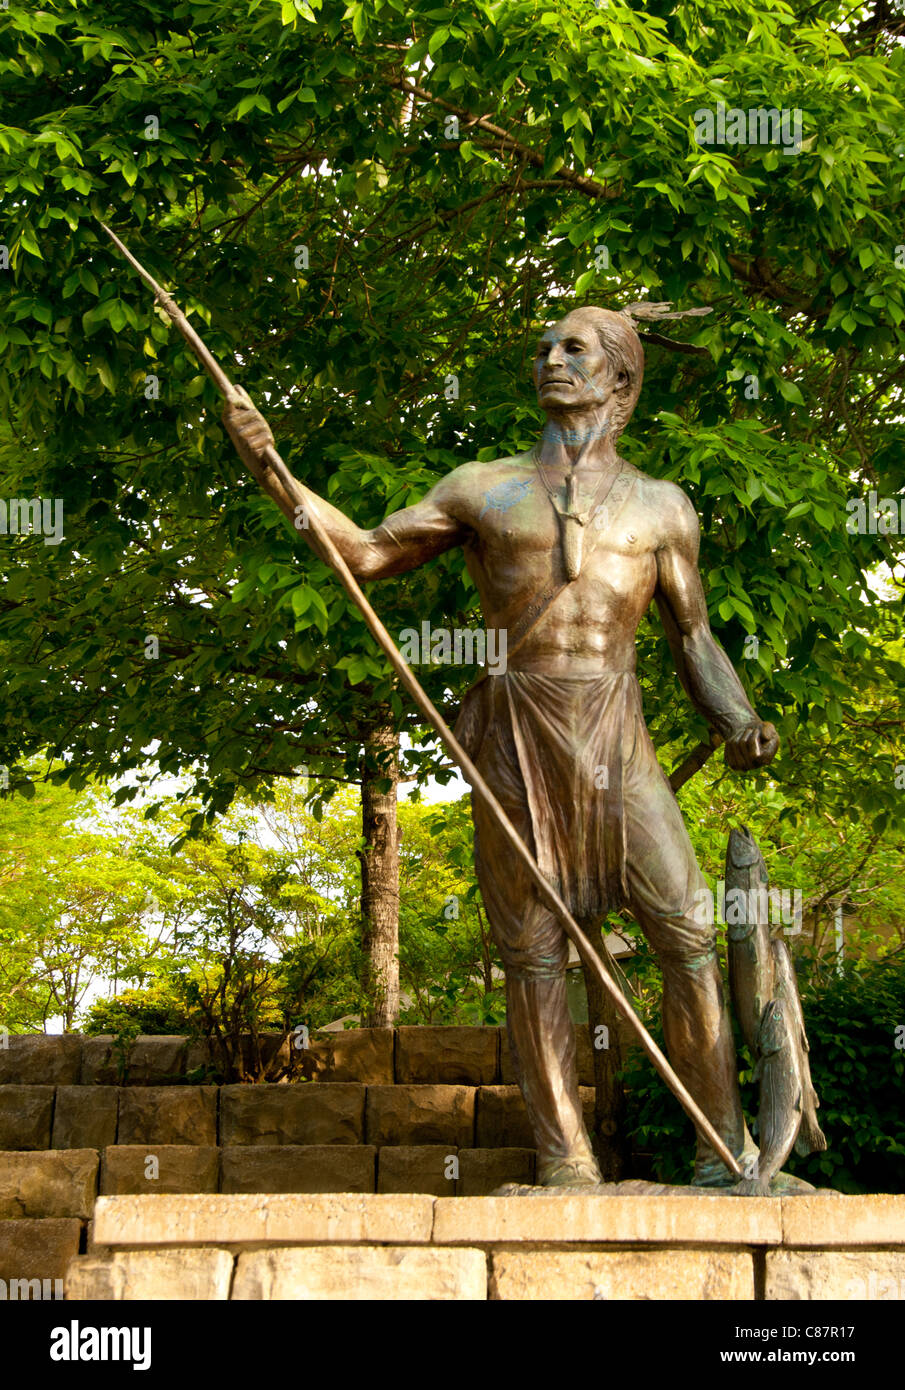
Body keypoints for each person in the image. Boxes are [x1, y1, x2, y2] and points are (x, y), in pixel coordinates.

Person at [224, 306, 781, 1188]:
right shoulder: (481, 488)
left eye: (574, 349)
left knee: (686, 933)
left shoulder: (661, 506)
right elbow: (366, 554)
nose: (550, 360)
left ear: (620, 379)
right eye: (543, 349)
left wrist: (735, 717)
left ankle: (731, 1157)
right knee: (532, 957)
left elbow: (693, 636)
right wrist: (271, 469)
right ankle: (565, 1164)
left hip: (616, 733)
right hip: (515, 729)